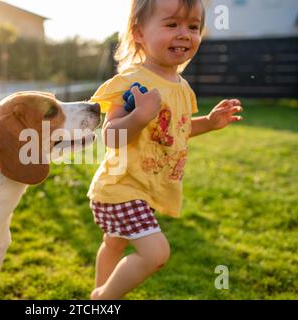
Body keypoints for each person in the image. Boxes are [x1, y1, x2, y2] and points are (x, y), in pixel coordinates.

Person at [88, 0, 243, 300]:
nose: (184, 33)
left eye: (193, 27)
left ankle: (100, 291)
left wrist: (209, 123)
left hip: (141, 188)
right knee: (156, 253)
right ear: (139, 33)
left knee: (114, 243)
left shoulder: (182, 88)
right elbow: (110, 137)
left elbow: (178, 129)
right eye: (172, 24)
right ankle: (102, 299)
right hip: (121, 187)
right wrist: (139, 116)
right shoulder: (132, 83)